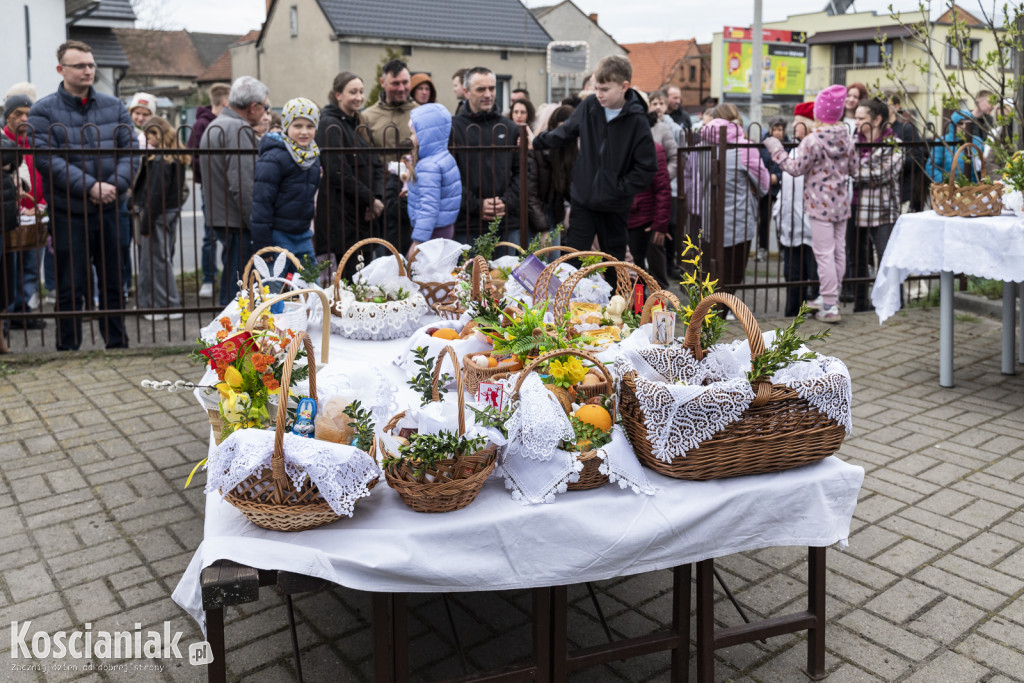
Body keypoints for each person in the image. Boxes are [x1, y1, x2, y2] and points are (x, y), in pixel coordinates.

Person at [29, 40, 136, 351]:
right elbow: (47, 159)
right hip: (69, 212)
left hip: (112, 209)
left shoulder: (114, 106)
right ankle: (68, 347)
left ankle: (118, 344)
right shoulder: (43, 110)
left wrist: (113, 185)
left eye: (91, 65)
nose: (88, 70)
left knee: (114, 282)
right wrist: (90, 186)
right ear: (61, 69)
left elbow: (130, 152)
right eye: (80, 65)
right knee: (69, 285)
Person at [532, 55, 656, 271]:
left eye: (605, 89)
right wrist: (536, 141)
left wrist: (618, 189)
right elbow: (566, 131)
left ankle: (614, 304)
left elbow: (646, 168)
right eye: (596, 88)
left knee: (613, 263)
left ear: (624, 86)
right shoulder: (590, 105)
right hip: (583, 201)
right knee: (573, 261)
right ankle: (571, 304)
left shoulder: (637, 120)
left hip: (615, 206)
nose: (599, 94)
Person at [763, 84, 859, 324]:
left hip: (819, 205)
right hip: (841, 204)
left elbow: (795, 168)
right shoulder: (847, 139)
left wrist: (776, 149)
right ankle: (831, 297)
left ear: (818, 113)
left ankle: (828, 305)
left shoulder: (812, 141)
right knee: (838, 252)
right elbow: (854, 169)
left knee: (824, 254)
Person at [199, 75, 267, 306]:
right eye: (264, 107)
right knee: (237, 285)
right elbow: (243, 185)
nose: (264, 112)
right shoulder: (238, 130)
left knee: (232, 278)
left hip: (221, 215)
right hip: (236, 220)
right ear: (253, 107)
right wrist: (255, 224)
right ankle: (232, 337)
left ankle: (228, 333)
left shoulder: (216, 124)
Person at [698, 104, 769, 298]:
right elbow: (764, 185)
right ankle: (721, 310)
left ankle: (710, 311)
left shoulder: (701, 148)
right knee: (732, 274)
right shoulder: (745, 149)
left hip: (708, 220)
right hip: (739, 221)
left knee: (710, 274)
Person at [315, 72, 386, 262]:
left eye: (361, 92)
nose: (359, 97)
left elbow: (376, 165)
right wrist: (370, 200)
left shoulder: (360, 124)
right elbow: (338, 172)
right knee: (349, 278)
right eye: (353, 92)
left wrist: (376, 198)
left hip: (365, 215)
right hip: (343, 218)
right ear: (338, 95)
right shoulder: (330, 125)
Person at [450, 67, 521, 243]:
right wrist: (476, 205)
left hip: (506, 223)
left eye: (492, 88)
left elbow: (522, 172)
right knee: (469, 271)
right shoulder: (453, 128)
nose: (488, 94)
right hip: (466, 225)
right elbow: (448, 177)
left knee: (506, 271)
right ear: (466, 92)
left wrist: (506, 201)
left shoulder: (510, 127)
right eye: (481, 89)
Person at [251, 98, 321, 274]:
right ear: (286, 126)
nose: (304, 132)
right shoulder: (273, 158)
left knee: (312, 288)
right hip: (277, 235)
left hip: (303, 234)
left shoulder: (312, 157)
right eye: (297, 126)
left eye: (310, 126)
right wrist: (263, 246)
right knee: (275, 290)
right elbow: (261, 205)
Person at [851, 98, 903, 313]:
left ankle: (891, 304)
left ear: (877, 119)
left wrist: (853, 172)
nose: (856, 123)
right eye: (855, 118)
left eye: (861, 118)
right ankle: (860, 304)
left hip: (882, 210)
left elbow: (883, 173)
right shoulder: (852, 142)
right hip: (854, 208)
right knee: (858, 260)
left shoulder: (894, 144)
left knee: (886, 258)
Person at [134, 116, 186, 320]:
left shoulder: (160, 159)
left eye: (150, 135)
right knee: (157, 259)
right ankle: (149, 303)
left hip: (157, 214)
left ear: (159, 134)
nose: (148, 139)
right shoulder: (177, 155)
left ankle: (165, 305)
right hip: (170, 212)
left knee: (156, 260)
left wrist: (146, 222)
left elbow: (155, 194)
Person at [3, 92, 47, 329]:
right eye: (18, 113)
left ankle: (23, 309)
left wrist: (40, 206)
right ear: (7, 115)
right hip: (11, 214)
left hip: (36, 212)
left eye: (28, 114)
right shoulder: (4, 142)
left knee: (30, 265)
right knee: (10, 266)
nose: (23, 118)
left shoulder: (37, 142)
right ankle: (7, 313)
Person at [186, 82, 230, 299]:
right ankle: (208, 278)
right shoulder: (202, 125)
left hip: (228, 185)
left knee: (231, 234)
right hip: (210, 187)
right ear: (225, 102)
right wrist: (209, 176)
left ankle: (229, 276)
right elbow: (193, 156)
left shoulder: (229, 123)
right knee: (210, 234)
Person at [406, 103, 462, 256]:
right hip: (443, 226)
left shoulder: (428, 165)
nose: (411, 138)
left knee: (418, 274)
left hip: (431, 231)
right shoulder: (444, 158)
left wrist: (418, 241)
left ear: (426, 135)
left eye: (413, 133)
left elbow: (429, 206)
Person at [774, 142, 818, 317]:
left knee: (815, 272)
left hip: (813, 224)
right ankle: (792, 312)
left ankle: (816, 310)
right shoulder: (792, 151)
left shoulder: (817, 149)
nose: (794, 125)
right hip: (791, 224)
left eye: (799, 120)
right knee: (792, 273)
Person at [627, 110, 671, 276]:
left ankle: (655, 301)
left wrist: (660, 224)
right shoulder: (620, 149)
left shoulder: (655, 150)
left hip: (645, 220)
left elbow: (663, 189)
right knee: (632, 268)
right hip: (625, 216)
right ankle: (637, 302)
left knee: (647, 267)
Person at [529, 105, 576, 238]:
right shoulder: (538, 150)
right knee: (536, 258)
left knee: (555, 258)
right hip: (536, 218)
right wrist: (543, 230)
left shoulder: (570, 152)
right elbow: (530, 195)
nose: (563, 136)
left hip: (554, 215)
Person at [363, 59, 417, 148]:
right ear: (382, 82)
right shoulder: (368, 117)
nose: (401, 88)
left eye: (405, 82)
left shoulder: (421, 113)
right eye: (395, 83)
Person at [757, 117, 789, 262]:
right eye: (774, 129)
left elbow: (791, 164)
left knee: (781, 220)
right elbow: (757, 164)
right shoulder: (763, 145)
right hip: (765, 188)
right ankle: (762, 249)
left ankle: (783, 249)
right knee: (764, 220)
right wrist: (766, 177)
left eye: (780, 129)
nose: (777, 133)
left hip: (782, 188)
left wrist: (777, 176)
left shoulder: (789, 145)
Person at [926, 110, 982, 184]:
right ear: (953, 125)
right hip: (949, 190)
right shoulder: (942, 142)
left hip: (975, 190)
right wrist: (948, 182)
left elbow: (986, 166)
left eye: (968, 123)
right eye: (960, 123)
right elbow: (931, 167)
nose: (964, 126)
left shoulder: (978, 142)